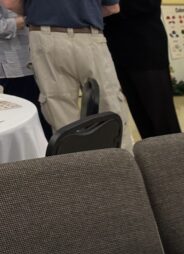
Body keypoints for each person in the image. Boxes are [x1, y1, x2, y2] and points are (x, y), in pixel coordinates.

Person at [0, 0, 133, 149]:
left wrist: (41, 13)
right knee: (109, 106)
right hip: (89, 35)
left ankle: (75, 169)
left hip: (45, 37)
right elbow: (112, 8)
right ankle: (122, 166)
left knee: (62, 115)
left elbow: (10, 3)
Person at [104, 0, 181, 139]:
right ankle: (151, 157)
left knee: (161, 117)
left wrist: (109, 7)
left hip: (146, 51)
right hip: (118, 51)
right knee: (141, 116)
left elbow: (147, 5)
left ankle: (175, 158)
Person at [0, 6, 50, 137]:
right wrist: (24, 21)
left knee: (37, 115)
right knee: (23, 117)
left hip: (29, 60)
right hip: (13, 67)